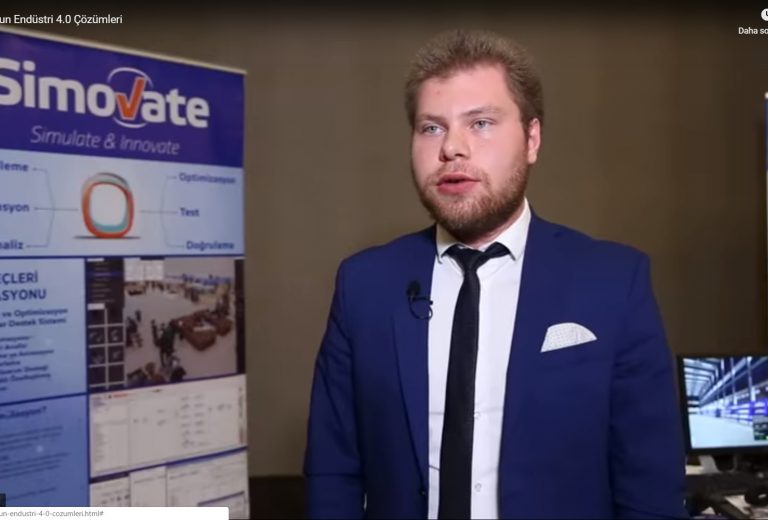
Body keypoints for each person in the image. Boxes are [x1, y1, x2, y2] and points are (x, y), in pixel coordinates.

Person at [304, 29, 688, 519]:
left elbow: (651, 486)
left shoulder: (614, 281)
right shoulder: (364, 285)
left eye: (481, 123)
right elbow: (333, 471)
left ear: (532, 139)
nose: (452, 148)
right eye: (431, 128)